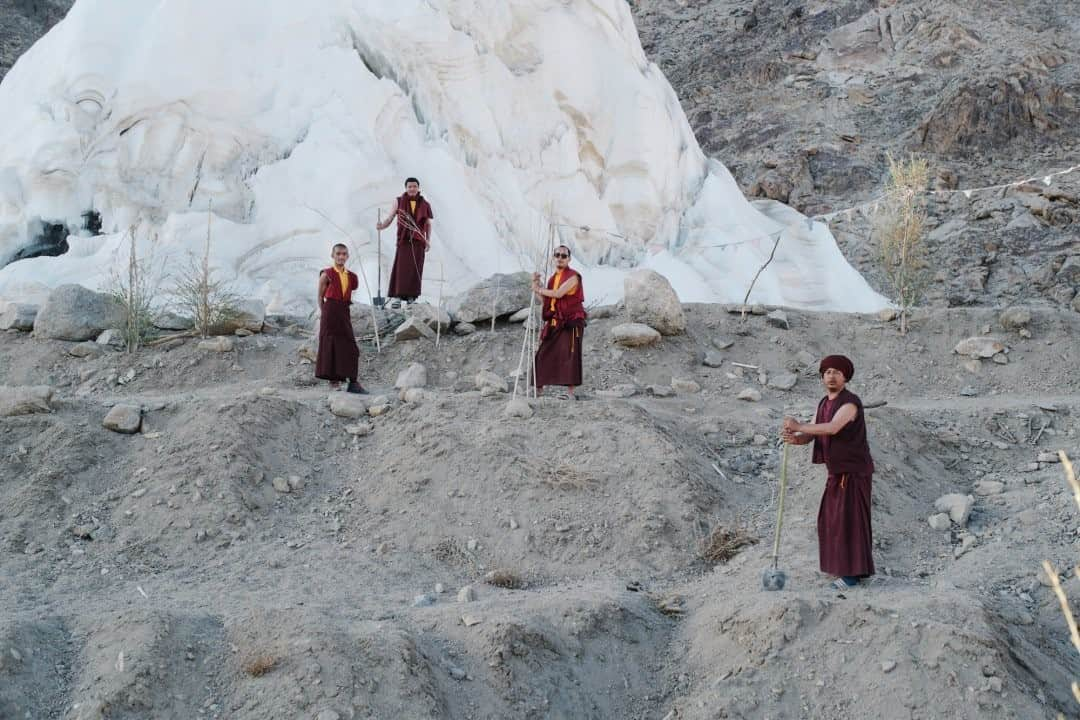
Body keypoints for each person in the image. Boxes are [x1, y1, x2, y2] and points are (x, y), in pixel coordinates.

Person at [781, 354, 874, 591]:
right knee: (832, 521)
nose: (831, 376)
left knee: (848, 522)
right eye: (828, 372)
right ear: (822, 376)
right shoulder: (824, 403)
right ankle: (848, 569)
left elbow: (832, 428)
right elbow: (813, 433)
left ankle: (851, 576)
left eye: (837, 372)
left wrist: (799, 425)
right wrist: (796, 438)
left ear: (845, 377)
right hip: (836, 473)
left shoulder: (850, 403)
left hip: (853, 473)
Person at [532, 245, 586, 399]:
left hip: (571, 321)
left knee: (570, 355)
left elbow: (558, 294)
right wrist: (537, 287)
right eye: (557, 255)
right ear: (553, 258)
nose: (560, 258)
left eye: (564, 256)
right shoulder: (552, 279)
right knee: (543, 353)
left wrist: (539, 289)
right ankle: (539, 389)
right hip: (556, 321)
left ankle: (569, 393)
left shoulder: (573, 277)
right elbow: (547, 301)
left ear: (569, 259)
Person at [315, 244, 366, 394]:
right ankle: (334, 382)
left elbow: (353, 288)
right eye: (338, 254)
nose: (341, 257)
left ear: (347, 256)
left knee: (351, 346)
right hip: (330, 311)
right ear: (333, 255)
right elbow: (319, 296)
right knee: (331, 344)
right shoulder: (327, 274)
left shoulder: (351, 276)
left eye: (344, 254)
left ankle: (353, 382)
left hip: (344, 311)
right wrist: (324, 312)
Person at [376, 177, 434, 307]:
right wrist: (382, 226)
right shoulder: (398, 201)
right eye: (410, 186)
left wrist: (428, 240)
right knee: (401, 268)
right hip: (404, 240)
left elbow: (428, 224)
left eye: (414, 186)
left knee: (415, 269)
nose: (412, 189)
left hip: (418, 241)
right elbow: (390, 217)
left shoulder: (425, 204)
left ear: (418, 188)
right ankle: (397, 297)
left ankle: (411, 297)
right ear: (406, 188)